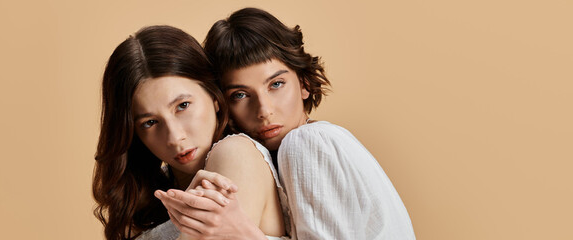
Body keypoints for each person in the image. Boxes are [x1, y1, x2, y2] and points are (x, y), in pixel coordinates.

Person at [161, 7, 416, 239]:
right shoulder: (285, 155)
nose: (264, 110)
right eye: (240, 95)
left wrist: (244, 232)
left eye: (276, 84)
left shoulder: (309, 142)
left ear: (304, 83)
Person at [92, 25, 287, 240]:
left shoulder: (234, 152)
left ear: (214, 96)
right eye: (150, 123)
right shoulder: (144, 199)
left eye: (183, 106)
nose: (175, 138)